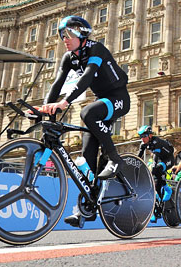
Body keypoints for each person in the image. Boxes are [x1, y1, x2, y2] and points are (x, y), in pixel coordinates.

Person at [39, 16, 129, 228]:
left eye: (68, 34)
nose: (64, 39)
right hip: (102, 100)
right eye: (62, 35)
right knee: (87, 157)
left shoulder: (96, 48)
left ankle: (115, 159)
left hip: (118, 97)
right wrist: (44, 107)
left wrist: (65, 101)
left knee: (87, 113)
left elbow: (87, 77)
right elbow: (57, 84)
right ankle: (85, 209)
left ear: (82, 35)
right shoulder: (69, 58)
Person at [137, 125, 175, 202]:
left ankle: (168, 190)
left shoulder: (156, 142)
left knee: (156, 169)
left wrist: (152, 171)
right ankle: (159, 204)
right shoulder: (143, 144)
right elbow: (138, 157)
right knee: (157, 186)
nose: (142, 139)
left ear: (150, 135)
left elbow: (155, 158)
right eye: (141, 136)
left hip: (169, 159)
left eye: (144, 136)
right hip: (161, 160)